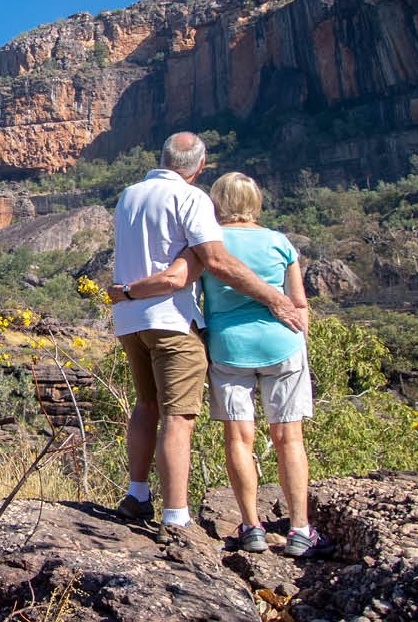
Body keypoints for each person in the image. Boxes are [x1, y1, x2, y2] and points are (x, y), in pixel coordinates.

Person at [104, 132, 306, 532]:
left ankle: (137, 495)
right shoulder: (191, 198)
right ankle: (176, 516)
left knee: (146, 407)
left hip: (130, 320)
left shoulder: (128, 195)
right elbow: (213, 261)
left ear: (161, 158)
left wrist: (126, 293)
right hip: (172, 322)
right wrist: (275, 299)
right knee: (178, 418)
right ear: (198, 167)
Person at [198, 173, 323, 558]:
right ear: (255, 202)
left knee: (239, 438)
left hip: (228, 346)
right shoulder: (279, 242)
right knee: (289, 438)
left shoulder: (208, 245)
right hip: (281, 343)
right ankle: (300, 529)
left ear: (217, 202)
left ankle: (251, 526)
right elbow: (298, 304)